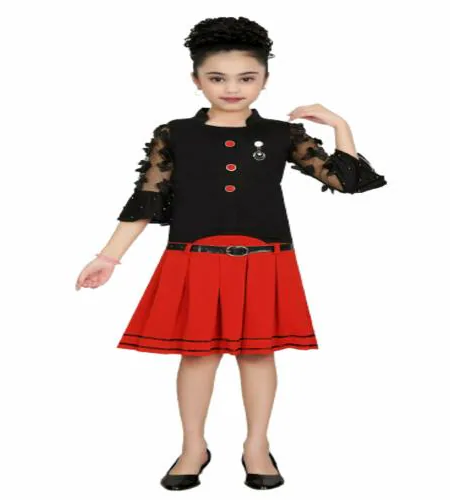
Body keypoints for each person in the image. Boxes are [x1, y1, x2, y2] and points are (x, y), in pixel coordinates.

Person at [75, 16, 387, 491]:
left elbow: (348, 181)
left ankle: (256, 445)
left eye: (247, 78)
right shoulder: (174, 133)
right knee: (196, 356)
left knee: (258, 354)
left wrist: (340, 125)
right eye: (217, 78)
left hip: (265, 260)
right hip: (193, 258)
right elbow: (147, 199)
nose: (232, 88)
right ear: (196, 79)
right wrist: (108, 258)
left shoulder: (284, 135)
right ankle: (192, 447)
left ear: (265, 80)